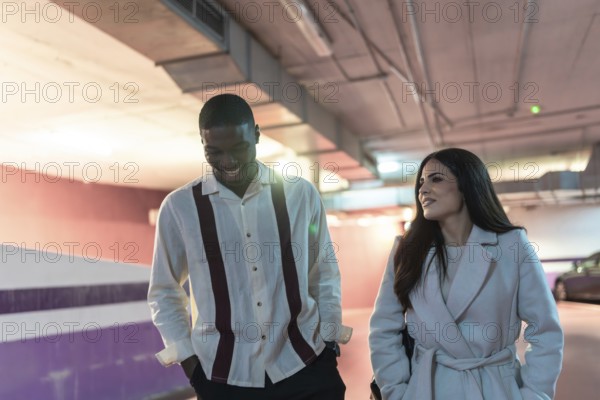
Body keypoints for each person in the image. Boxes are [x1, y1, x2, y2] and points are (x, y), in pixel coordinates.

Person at [147, 93, 351, 400]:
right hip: (223, 379)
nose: (227, 162)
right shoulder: (179, 208)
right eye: (214, 151)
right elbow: (164, 291)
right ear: (202, 143)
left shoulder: (300, 194)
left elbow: (323, 271)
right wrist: (190, 364)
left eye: (239, 148)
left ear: (256, 135)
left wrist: (330, 340)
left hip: (305, 364)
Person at [369, 148, 563, 399]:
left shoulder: (511, 245)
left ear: (466, 185)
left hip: (496, 388)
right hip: (427, 389)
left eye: (436, 179)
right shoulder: (407, 250)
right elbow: (384, 328)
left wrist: (535, 394)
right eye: (421, 182)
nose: (423, 190)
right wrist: (396, 392)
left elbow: (545, 329)